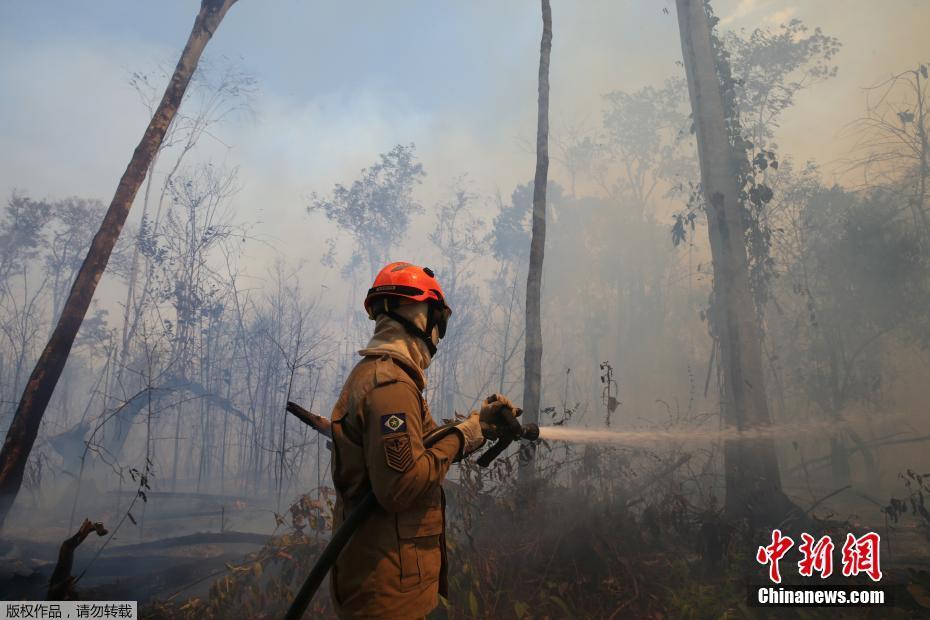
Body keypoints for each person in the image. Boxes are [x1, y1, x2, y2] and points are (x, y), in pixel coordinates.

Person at [328, 261, 517, 619]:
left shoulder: (380, 376)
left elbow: (427, 445)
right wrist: (462, 435)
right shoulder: (392, 388)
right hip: (389, 591)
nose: (438, 334)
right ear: (419, 316)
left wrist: (478, 426)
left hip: (389, 580)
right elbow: (400, 487)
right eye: (438, 320)